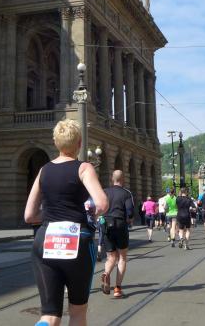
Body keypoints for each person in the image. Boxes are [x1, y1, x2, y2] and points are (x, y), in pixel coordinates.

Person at [25, 119, 108, 326]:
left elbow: (29, 215)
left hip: (45, 238)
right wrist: (92, 213)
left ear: (56, 143)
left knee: (50, 314)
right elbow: (102, 203)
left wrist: (50, 215)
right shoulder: (84, 168)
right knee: (77, 311)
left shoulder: (43, 170)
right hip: (76, 239)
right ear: (79, 143)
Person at [101, 170, 133, 299]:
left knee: (110, 257)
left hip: (106, 224)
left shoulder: (105, 191)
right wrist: (129, 219)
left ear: (112, 179)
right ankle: (117, 289)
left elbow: (99, 207)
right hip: (120, 224)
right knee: (122, 257)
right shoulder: (126, 193)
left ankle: (106, 273)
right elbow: (130, 211)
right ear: (123, 179)